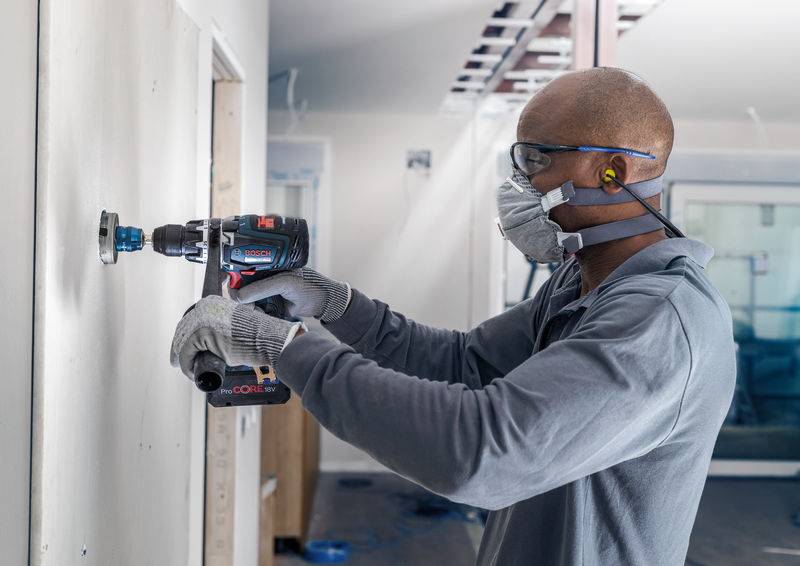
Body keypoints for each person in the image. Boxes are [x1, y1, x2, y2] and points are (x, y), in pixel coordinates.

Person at [171, 67, 736, 565]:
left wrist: (284, 347)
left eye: (535, 160)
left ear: (614, 173)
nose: (518, 183)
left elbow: (476, 454)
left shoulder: (660, 320)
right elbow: (465, 363)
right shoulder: (580, 283)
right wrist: (336, 305)